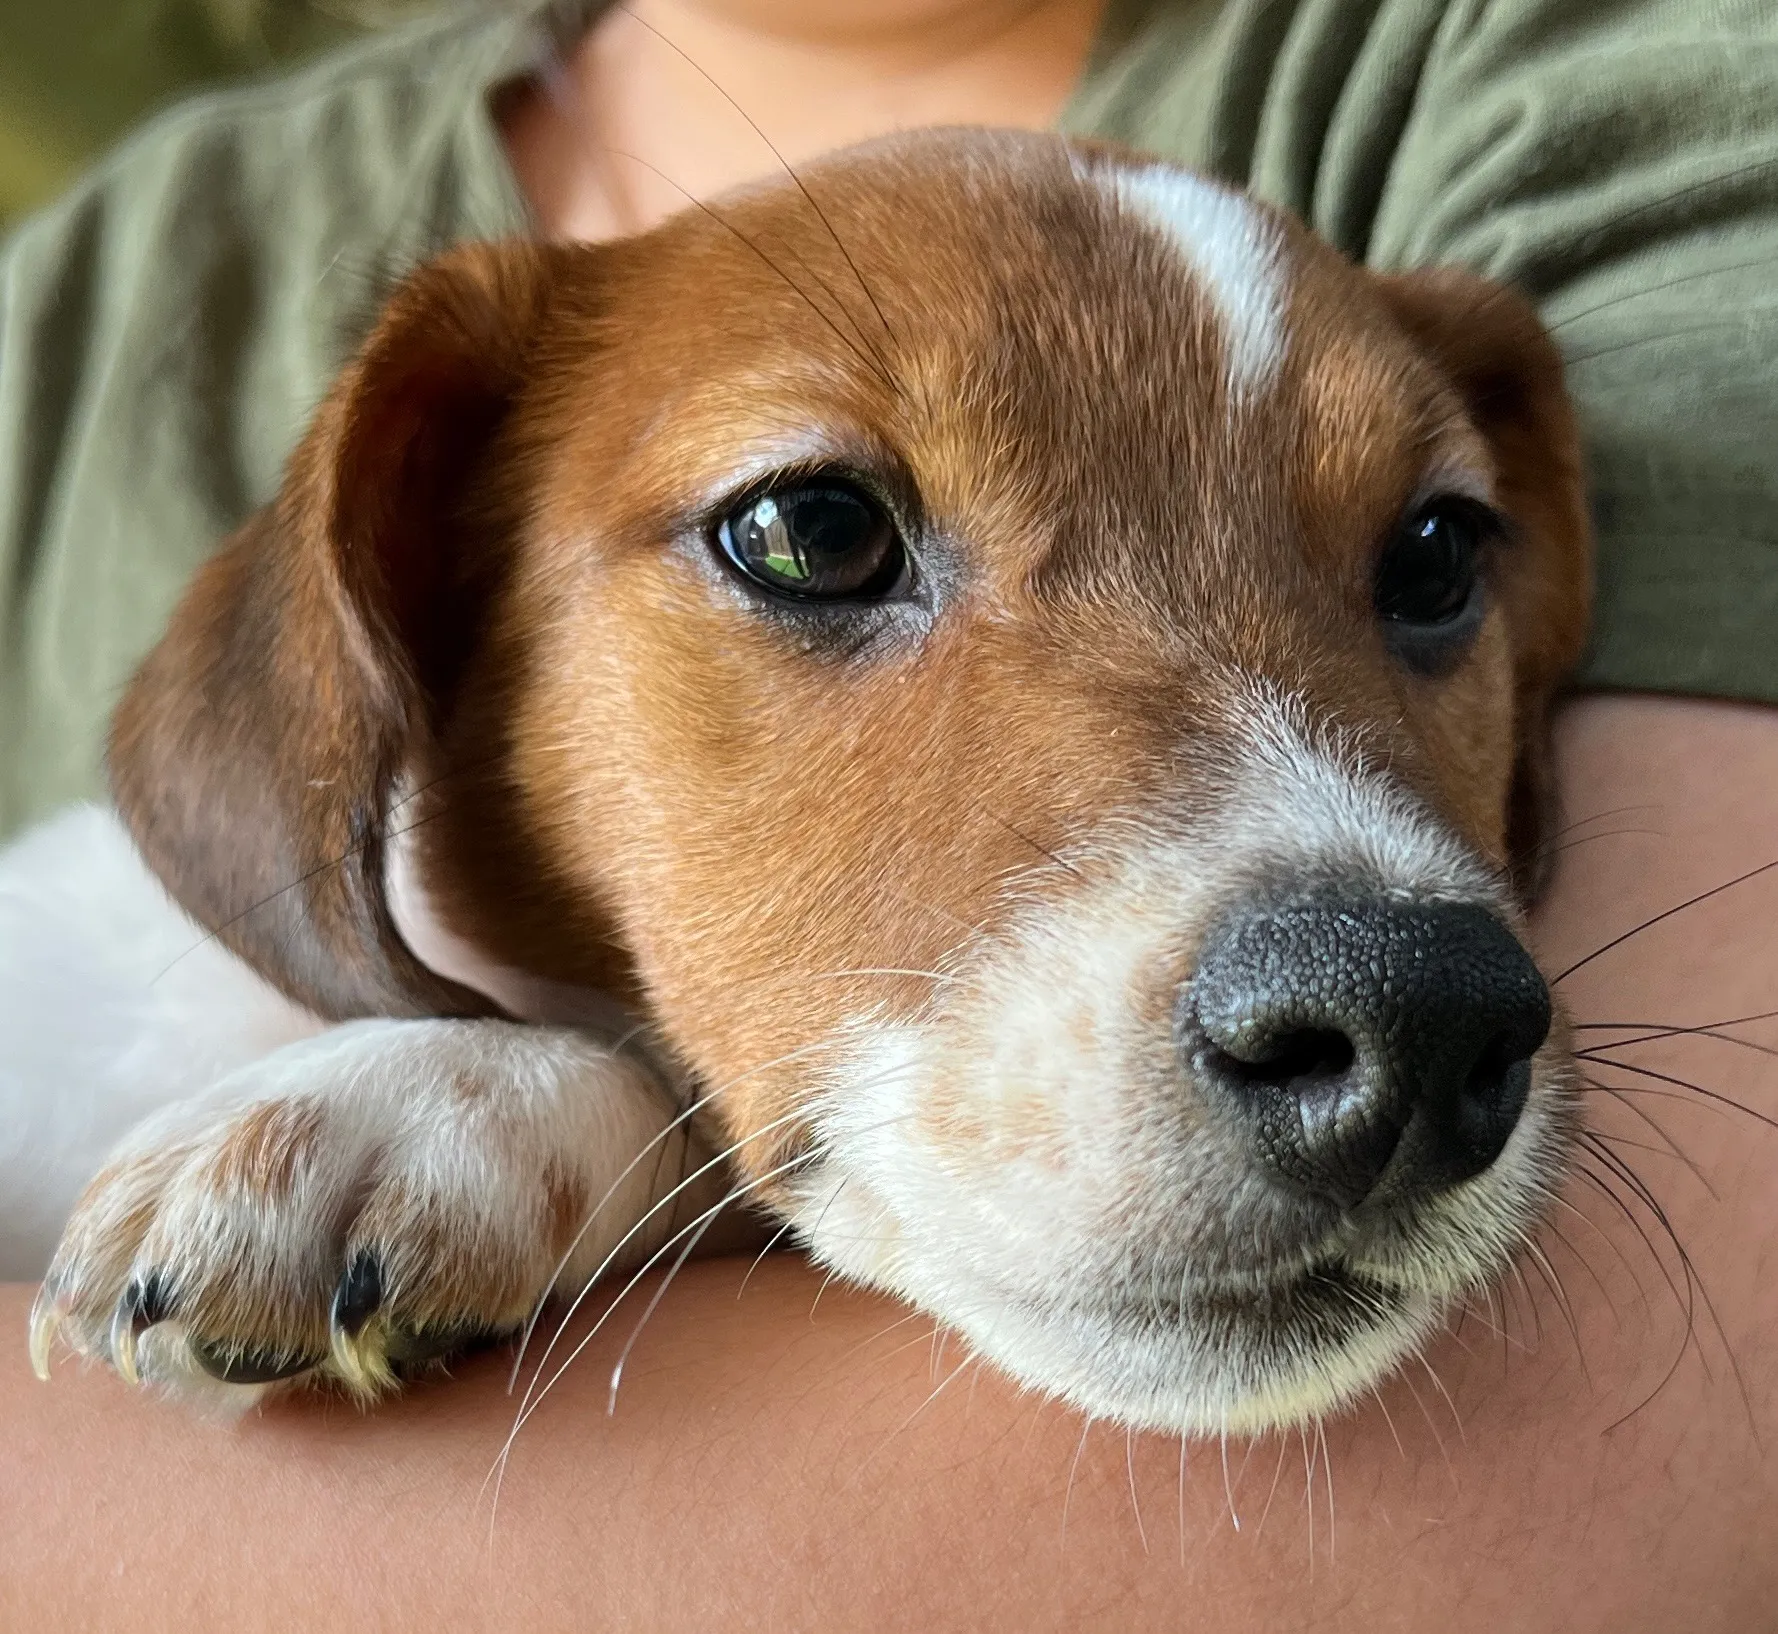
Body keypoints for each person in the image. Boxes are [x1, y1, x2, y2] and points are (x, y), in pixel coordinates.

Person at [1, 2, 1774, 1626]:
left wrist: (632, 1134)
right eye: (820, 539)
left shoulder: (1560, 65)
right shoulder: (118, 275)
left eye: (1425, 566)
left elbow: (1577, 1501)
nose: (1363, 923)